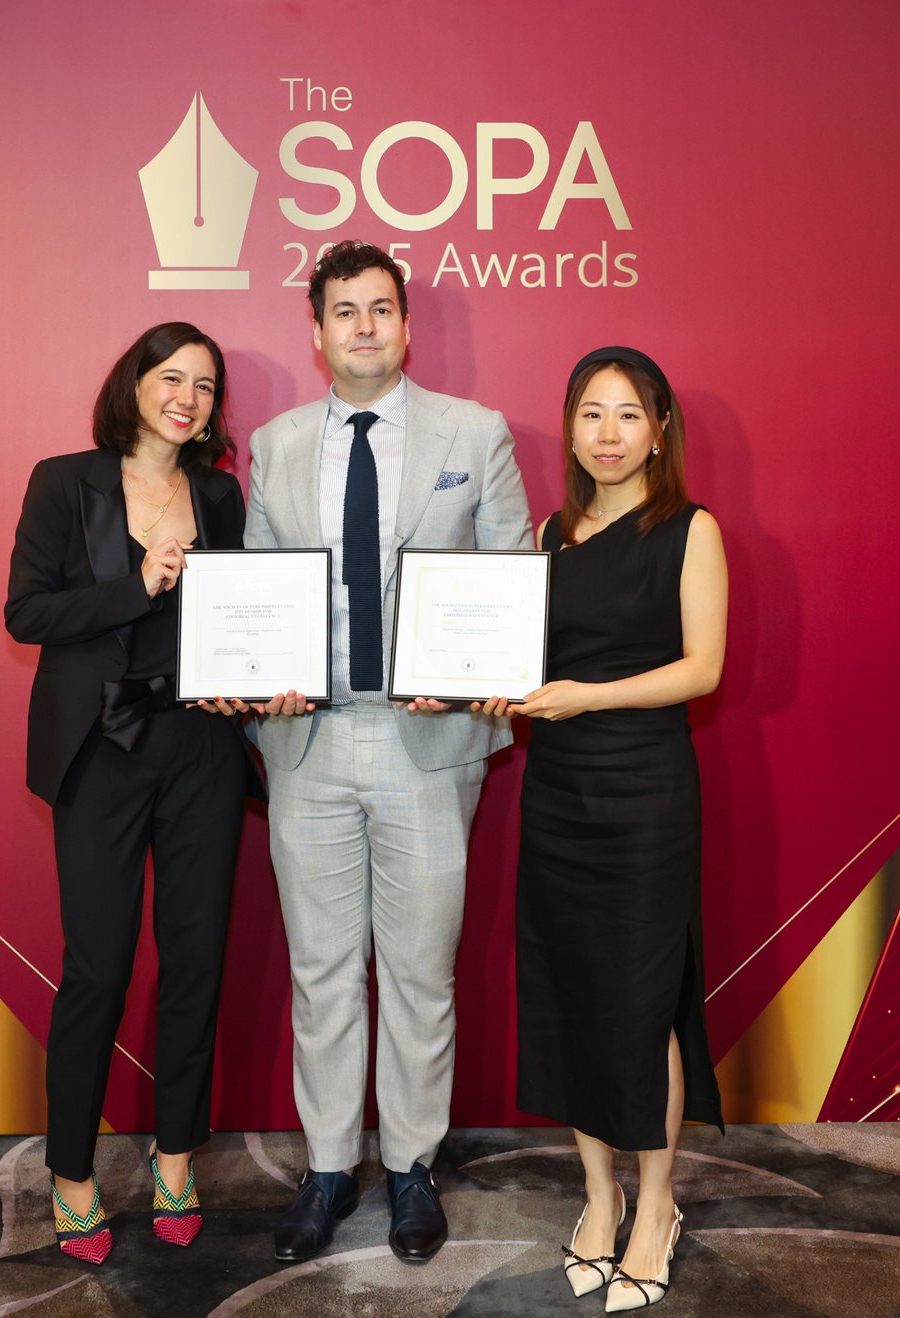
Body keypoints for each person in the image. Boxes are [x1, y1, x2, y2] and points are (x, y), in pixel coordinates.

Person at [243, 240, 532, 1263]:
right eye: (344, 311)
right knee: (324, 972)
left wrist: (477, 665)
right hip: (307, 740)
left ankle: (411, 1166)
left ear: (406, 325)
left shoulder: (475, 432)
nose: (363, 326)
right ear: (316, 332)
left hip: (430, 737)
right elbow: (259, 594)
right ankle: (327, 1167)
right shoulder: (272, 445)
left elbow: (509, 571)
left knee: (418, 970)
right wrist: (257, 673)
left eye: (380, 309)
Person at [5, 322, 259, 1262]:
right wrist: (136, 584)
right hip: (101, 751)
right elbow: (25, 610)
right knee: (99, 970)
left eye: (204, 385)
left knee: (195, 965)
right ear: (135, 384)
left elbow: (242, 618)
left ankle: (176, 1161)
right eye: (170, 377)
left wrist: (255, 677)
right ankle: (72, 1175)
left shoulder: (222, 494)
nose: (186, 396)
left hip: (202, 748)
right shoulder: (62, 480)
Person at [481, 347, 727, 1311]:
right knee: (572, 990)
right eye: (592, 414)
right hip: (561, 792)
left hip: (647, 794)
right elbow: (523, 659)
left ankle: (657, 1205)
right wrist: (478, 685)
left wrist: (589, 697)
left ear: (660, 429)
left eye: (629, 416)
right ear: (572, 426)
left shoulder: (689, 528)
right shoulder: (552, 533)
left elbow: (702, 668)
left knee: (641, 1002)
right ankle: (597, 1197)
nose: (609, 435)